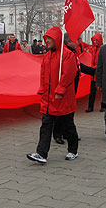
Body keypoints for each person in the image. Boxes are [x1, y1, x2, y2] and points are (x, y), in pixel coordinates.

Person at [26, 26, 78, 164]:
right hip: (49, 99)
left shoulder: (67, 55)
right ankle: (41, 153)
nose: (47, 41)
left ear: (57, 39)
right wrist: (42, 89)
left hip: (63, 98)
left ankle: (73, 150)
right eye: (46, 38)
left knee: (68, 125)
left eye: (49, 38)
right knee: (46, 125)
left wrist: (60, 90)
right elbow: (43, 75)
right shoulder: (47, 56)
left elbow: (69, 75)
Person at [53, 34, 94, 145]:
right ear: (68, 41)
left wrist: (94, 71)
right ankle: (57, 134)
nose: (77, 43)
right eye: (75, 40)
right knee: (61, 111)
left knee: (68, 111)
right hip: (65, 87)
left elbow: (79, 66)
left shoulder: (72, 53)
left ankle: (67, 132)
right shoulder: (64, 54)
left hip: (72, 87)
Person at [86, 33, 105, 112]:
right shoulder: (93, 49)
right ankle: (90, 107)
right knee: (92, 91)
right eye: (94, 40)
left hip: (100, 73)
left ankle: (103, 106)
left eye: (97, 40)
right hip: (93, 73)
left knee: (102, 90)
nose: (95, 42)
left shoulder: (103, 49)